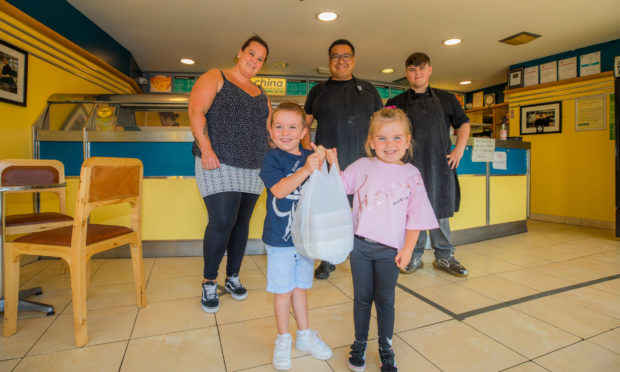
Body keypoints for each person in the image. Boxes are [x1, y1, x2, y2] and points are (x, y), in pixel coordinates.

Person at [326, 107, 438, 372]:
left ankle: (386, 346)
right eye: (383, 138)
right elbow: (340, 186)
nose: (390, 145)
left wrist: (409, 248)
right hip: (361, 247)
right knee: (362, 298)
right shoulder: (363, 166)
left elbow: (416, 217)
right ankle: (360, 343)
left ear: (408, 141)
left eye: (397, 138)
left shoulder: (412, 175)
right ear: (372, 142)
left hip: (391, 251)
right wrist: (332, 162)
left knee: (385, 299)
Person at [188, 35, 271, 313]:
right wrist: (207, 148)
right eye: (251, 54)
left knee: (241, 222)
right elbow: (196, 111)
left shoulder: (262, 94)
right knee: (223, 219)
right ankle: (209, 280)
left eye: (260, 59)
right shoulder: (216, 75)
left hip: (254, 165)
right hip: (218, 161)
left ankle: (232, 276)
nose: (254, 61)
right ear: (239, 53)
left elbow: (270, 132)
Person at [260, 102, 333, 370]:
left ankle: (304, 335)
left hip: (305, 240)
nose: (285, 132)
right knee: (283, 292)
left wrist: (329, 163)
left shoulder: (310, 154)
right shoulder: (272, 158)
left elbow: (327, 188)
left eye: (293, 127)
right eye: (279, 126)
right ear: (270, 130)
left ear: (304, 130)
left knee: (300, 289)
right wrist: (306, 169)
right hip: (280, 239)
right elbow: (279, 190)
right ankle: (283, 338)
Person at [302, 39, 383, 280]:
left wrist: (379, 156)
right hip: (328, 164)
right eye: (335, 56)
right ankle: (328, 259)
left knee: (362, 212)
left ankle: (361, 256)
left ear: (354, 59)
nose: (341, 61)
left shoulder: (368, 90)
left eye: (346, 56)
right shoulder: (318, 91)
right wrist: (310, 155)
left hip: (362, 163)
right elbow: (305, 127)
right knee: (330, 212)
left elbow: (380, 125)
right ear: (329, 61)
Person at [385, 52, 471, 277]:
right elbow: (386, 130)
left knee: (440, 211)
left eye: (421, 68)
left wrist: (459, 149)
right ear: (406, 74)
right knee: (412, 211)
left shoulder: (447, 98)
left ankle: (444, 256)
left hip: (439, 166)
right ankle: (413, 256)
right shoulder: (396, 103)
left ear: (430, 70)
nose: (417, 73)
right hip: (408, 167)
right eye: (412, 70)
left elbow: (463, 124)